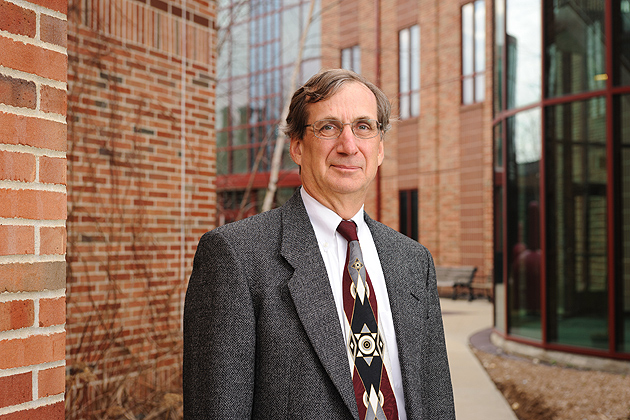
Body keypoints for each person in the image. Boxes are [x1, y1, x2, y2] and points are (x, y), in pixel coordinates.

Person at [183, 69, 455, 419]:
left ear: (380, 148)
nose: (349, 145)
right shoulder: (235, 256)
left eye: (363, 127)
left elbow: (436, 401)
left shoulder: (413, 261)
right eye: (328, 127)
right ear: (297, 146)